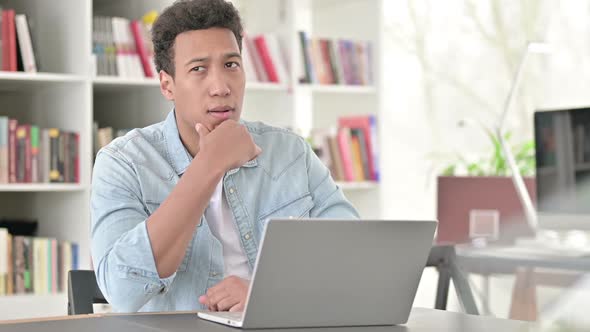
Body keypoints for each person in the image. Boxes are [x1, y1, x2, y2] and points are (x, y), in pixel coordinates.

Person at [90, 0, 359, 314]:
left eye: (231, 65)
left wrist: (265, 294)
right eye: (198, 69)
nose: (220, 87)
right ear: (167, 85)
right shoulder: (123, 163)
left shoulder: (290, 153)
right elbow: (122, 291)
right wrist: (209, 165)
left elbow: (353, 262)